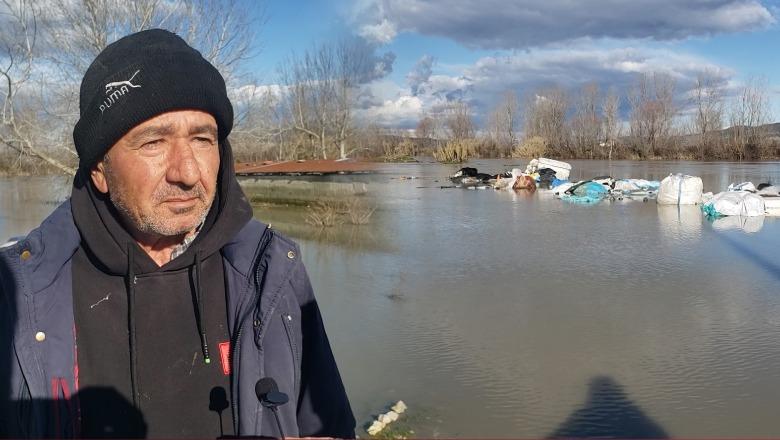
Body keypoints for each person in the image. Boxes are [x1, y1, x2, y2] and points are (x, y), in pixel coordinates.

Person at [0, 29, 355, 438]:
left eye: (202, 139)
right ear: (99, 168)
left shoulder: (272, 269)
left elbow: (330, 426)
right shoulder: (21, 294)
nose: (187, 172)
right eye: (153, 142)